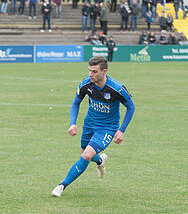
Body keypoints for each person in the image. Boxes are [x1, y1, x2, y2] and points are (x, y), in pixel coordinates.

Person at [51, 56, 135, 197]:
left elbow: (131, 107)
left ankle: (61, 186)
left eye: (95, 71)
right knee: (86, 152)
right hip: (89, 125)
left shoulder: (116, 88)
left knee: (86, 155)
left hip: (107, 128)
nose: (91, 74)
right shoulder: (86, 84)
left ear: (104, 71)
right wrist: (73, 123)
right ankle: (100, 160)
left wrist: (121, 130)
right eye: (90, 70)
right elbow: (75, 103)